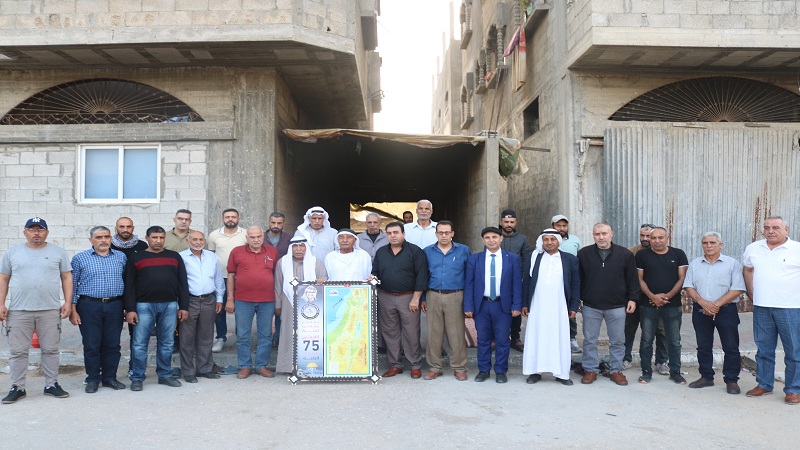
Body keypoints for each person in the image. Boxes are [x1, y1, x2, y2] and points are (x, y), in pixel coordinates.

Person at [0, 217, 73, 404]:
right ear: (24, 232)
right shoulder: (12, 253)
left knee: (50, 349)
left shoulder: (58, 252)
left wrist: (67, 302)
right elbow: (3, 279)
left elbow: (66, 277)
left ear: (47, 232)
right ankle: (18, 387)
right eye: (32, 230)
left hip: (49, 310)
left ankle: (51, 385)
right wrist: (1, 304)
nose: (36, 233)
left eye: (40, 229)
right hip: (19, 310)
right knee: (18, 351)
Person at [742, 216, 800, 405]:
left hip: (791, 308)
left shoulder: (797, 249)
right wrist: (751, 292)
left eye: (775, 227)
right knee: (764, 349)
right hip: (762, 307)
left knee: (794, 351)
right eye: (767, 228)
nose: (770, 231)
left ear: (786, 229)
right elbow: (748, 269)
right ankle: (764, 384)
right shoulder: (754, 248)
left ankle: (793, 389)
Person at [124, 226, 190, 391]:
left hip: (170, 305)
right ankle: (137, 377)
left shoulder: (174, 256)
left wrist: (183, 306)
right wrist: (130, 309)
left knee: (167, 342)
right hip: (143, 306)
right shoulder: (136, 257)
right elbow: (129, 285)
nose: (158, 241)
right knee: (140, 343)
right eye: (154, 237)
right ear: (147, 238)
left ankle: (165, 375)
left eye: (161, 238)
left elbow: (183, 283)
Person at [577, 222, 639, 386]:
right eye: (597, 234)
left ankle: (616, 370)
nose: (601, 237)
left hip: (617, 305)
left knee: (617, 340)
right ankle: (590, 369)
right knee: (590, 340)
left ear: (611, 234)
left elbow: (632, 279)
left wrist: (632, 299)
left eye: (604, 233)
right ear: (593, 235)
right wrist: (578, 299)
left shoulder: (625, 254)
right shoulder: (584, 254)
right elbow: (578, 279)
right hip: (591, 305)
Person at [683, 232, 745, 395]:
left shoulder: (732, 264)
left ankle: (731, 380)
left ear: (720, 245)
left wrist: (715, 305)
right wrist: (703, 303)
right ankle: (706, 377)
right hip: (700, 310)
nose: (709, 246)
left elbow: (737, 288)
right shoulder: (695, 264)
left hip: (726, 311)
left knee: (731, 347)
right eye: (705, 243)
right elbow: (689, 286)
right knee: (703, 346)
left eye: (712, 242)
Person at [70, 226, 127, 393]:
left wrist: (127, 307)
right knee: (92, 344)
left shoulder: (121, 257)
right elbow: (72, 285)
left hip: (115, 305)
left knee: (113, 344)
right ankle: (93, 379)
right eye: (99, 237)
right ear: (91, 240)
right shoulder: (80, 258)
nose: (103, 240)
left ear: (111, 238)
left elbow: (126, 281)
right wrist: (73, 309)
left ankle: (110, 378)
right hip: (89, 306)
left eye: (107, 237)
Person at [521, 229, 579, 386]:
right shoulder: (534, 257)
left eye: (552, 239)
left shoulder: (570, 259)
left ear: (558, 241)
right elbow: (526, 282)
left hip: (559, 306)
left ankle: (561, 373)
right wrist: (525, 303)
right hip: (537, 305)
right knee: (536, 336)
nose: (549, 242)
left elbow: (575, 283)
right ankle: (535, 371)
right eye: (545, 239)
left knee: (559, 337)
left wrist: (574, 305)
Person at [464, 226, 522, 383]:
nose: (491, 240)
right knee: (483, 339)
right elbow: (469, 284)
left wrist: (517, 305)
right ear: (483, 240)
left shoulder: (512, 258)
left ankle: (501, 371)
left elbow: (517, 283)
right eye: (487, 238)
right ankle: (483, 370)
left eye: (494, 237)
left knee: (503, 339)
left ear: (501, 239)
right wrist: (468, 306)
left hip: (502, 305)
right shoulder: (474, 259)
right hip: (482, 305)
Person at [371, 222, 428, 379]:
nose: (393, 236)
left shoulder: (415, 251)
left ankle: (415, 365)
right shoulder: (381, 252)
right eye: (389, 233)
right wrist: (372, 277)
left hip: (408, 297)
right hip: (386, 296)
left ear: (403, 233)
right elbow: (375, 272)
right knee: (390, 332)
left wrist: (416, 298)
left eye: (396, 232)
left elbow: (422, 276)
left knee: (411, 332)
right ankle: (395, 365)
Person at [636, 226, 688, 385]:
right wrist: (652, 297)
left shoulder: (678, 254)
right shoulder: (642, 255)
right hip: (648, 304)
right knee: (646, 340)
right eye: (653, 238)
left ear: (667, 238)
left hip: (672, 305)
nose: (657, 241)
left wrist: (667, 296)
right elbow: (639, 279)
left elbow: (682, 278)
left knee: (674, 340)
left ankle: (675, 372)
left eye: (660, 238)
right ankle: (646, 372)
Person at [226, 226, 279, 379]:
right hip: (243, 300)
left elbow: (276, 275)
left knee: (266, 334)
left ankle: (262, 365)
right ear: (246, 238)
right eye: (252, 237)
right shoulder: (237, 252)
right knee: (242, 335)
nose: (256, 240)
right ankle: (245, 366)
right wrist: (230, 299)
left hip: (267, 300)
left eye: (258, 236)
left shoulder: (272, 252)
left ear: (263, 237)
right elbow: (231, 276)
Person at [422, 220, 471, 381]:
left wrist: (468, 301)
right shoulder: (427, 251)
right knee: (434, 334)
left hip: (456, 296)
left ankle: (459, 367)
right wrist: (423, 298)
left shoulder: (463, 250)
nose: (444, 235)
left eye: (447, 232)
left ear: (452, 234)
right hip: (433, 295)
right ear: (436, 234)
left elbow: (469, 276)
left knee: (456, 333)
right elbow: (423, 276)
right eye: (440, 232)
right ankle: (435, 367)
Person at [274, 236, 327, 374]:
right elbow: (278, 285)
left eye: (301, 246)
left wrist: (321, 281)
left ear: (306, 248)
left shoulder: (316, 262)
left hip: (312, 304)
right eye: (295, 246)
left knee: (311, 333)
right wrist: (278, 304)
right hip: (288, 302)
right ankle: (288, 367)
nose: (298, 249)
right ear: (290, 248)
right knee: (288, 333)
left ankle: (313, 367)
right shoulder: (282, 262)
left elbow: (324, 280)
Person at [179, 231, 225, 383]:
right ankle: (188, 371)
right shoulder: (181, 257)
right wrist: (181, 304)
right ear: (188, 241)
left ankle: (204, 368)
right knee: (187, 337)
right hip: (189, 301)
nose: (198, 242)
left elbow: (218, 279)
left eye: (200, 239)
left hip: (208, 300)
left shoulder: (211, 256)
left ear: (204, 241)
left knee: (206, 336)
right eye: (194, 239)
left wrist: (219, 299)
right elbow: (179, 282)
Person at [624, 223, 668, 372]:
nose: (645, 239)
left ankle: (662, 361)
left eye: (648, 236)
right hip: (634, 298)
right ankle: (626, 358)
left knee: (661, 331)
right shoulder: (631, 252)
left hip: (656, 300)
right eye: (642, 235)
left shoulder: (665, 253)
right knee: (629, 328)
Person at [110, 216, 148, 373]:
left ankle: (134, 368)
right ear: (116, 228)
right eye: (122, 226)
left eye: (128, 227)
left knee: (137, 335)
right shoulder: (108, 244)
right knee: (112, 336)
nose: (125, 230)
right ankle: (109, 371)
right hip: (114, 295)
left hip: (137, 295)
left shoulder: (142, 246)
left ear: (133, 228)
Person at [207, 208, 247, 353]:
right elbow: (210, 256)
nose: (230, 219)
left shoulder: (246, 234)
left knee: (242, 310)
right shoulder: (214, 235)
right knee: (219, 309)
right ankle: (221, 338)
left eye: (233, 217)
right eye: (227, 217)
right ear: (222, 219)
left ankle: (241, 338)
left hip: (241, 278)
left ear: (238, 219)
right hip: (221, 278)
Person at [499, 208, 531, 353]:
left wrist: (523, 276)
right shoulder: (495, 237)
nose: (509, 225)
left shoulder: (522, 239)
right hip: (498, 281)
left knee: (515, 309)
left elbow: (526, 258)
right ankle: (498, 337)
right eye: (506, 222)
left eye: (512, 222)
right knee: (499, 309)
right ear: (501, 222)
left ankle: (515, 338)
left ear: (515, 222)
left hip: (516, 281)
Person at [552, 214, 582, 354]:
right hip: (552, 281)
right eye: (558, 225)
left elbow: (580, 260)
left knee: (570, 310)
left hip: (569, 282)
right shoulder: (547, 240)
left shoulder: (575, 241)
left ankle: (571, 338)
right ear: (553, 226)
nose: (562, 228)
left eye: (564, 226)